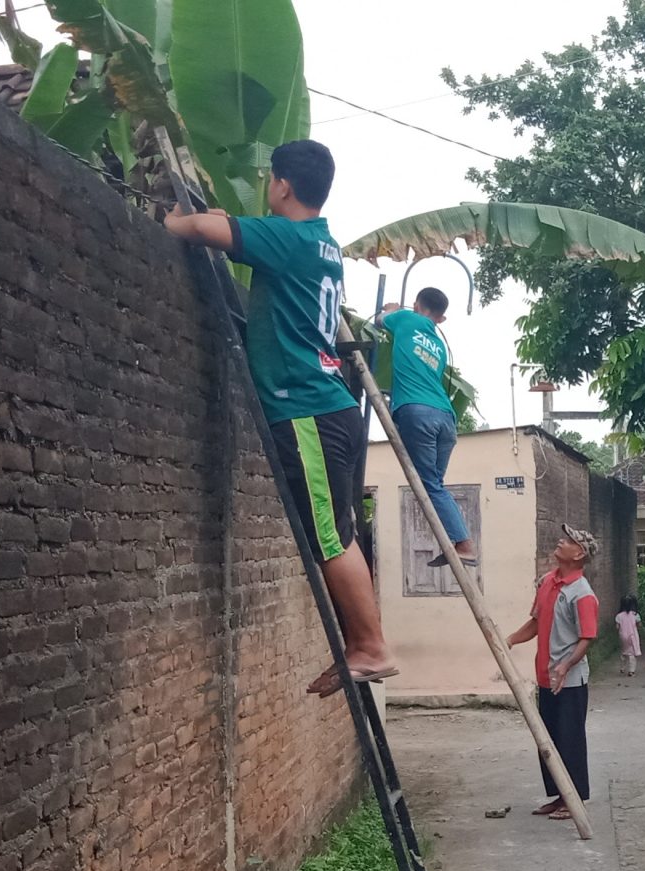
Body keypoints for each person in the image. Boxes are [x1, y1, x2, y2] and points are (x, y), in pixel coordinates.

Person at [164, 139, 394, 696]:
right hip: (327, 404)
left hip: (306, 408)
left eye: (271, 180)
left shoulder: (285, 238)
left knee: (329, 538)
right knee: (337, 531)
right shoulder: (321, 244)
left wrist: (178, 217)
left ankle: (369, 647)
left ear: (283, 185)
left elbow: (192, 231)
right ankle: (366, 643)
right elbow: (231, 230)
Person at [508, 526, 600, 822]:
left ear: (579, 554)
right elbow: (535, 623)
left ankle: (574, 800)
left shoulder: (582, 593)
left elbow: (587, 637)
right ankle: (560, 796)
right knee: (548, 741)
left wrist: (565, 665)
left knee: (569, 739)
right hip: (546, 676)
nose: (561, 542)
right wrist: (508, 640)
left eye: (569, 540)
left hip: (570, 681)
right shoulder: (548, 583)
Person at [377, 288, 474, 567]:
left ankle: (464, 544)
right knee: (434, 487)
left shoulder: (406, 318)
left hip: (416, 413)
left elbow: (379, 321)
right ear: (441, 319)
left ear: (416, 304)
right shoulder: (440, 347)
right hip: (445, 418)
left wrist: (392, 308)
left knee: (430, 486)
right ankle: (455, 541)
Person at [615, 595, 643, 676]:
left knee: (624, 651)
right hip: (632, 636)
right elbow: (639, 624)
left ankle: (622, 667)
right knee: (632, 653)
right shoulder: (635, 615)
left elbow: (617, 627)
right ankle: (631, 671)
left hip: (623, 636)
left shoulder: (619, 616)